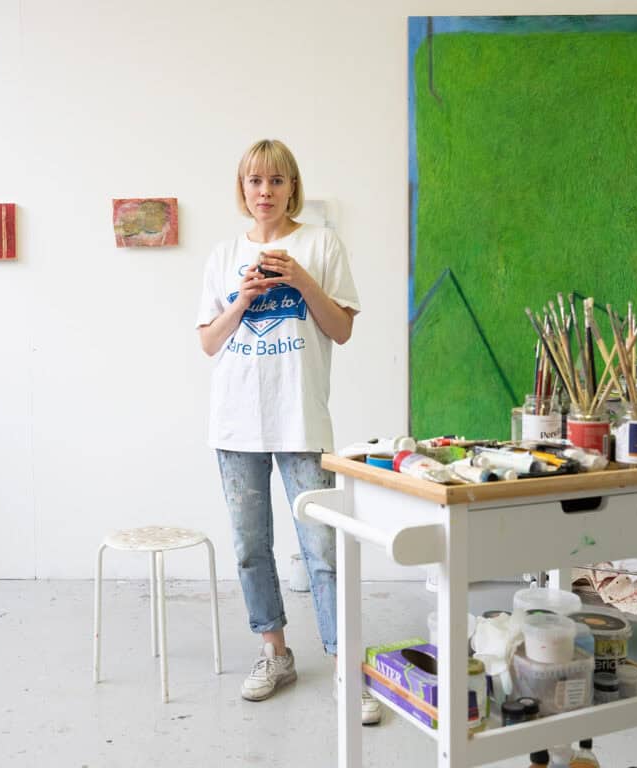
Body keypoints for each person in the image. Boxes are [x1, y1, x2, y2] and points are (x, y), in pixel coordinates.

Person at [196, 139, 380, 725]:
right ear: (242, 189)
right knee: (251, 548)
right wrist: (243, 299)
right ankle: (274, 652)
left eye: (276, 181)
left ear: (292, 187)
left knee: (321, 550)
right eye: (254, 181)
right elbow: (207, 342)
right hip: (235, 422)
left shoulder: (320, 245)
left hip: (301, 418)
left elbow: (342, 331)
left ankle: (348, 666)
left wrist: (300, 280)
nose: (265, 192)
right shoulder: (223, 255)